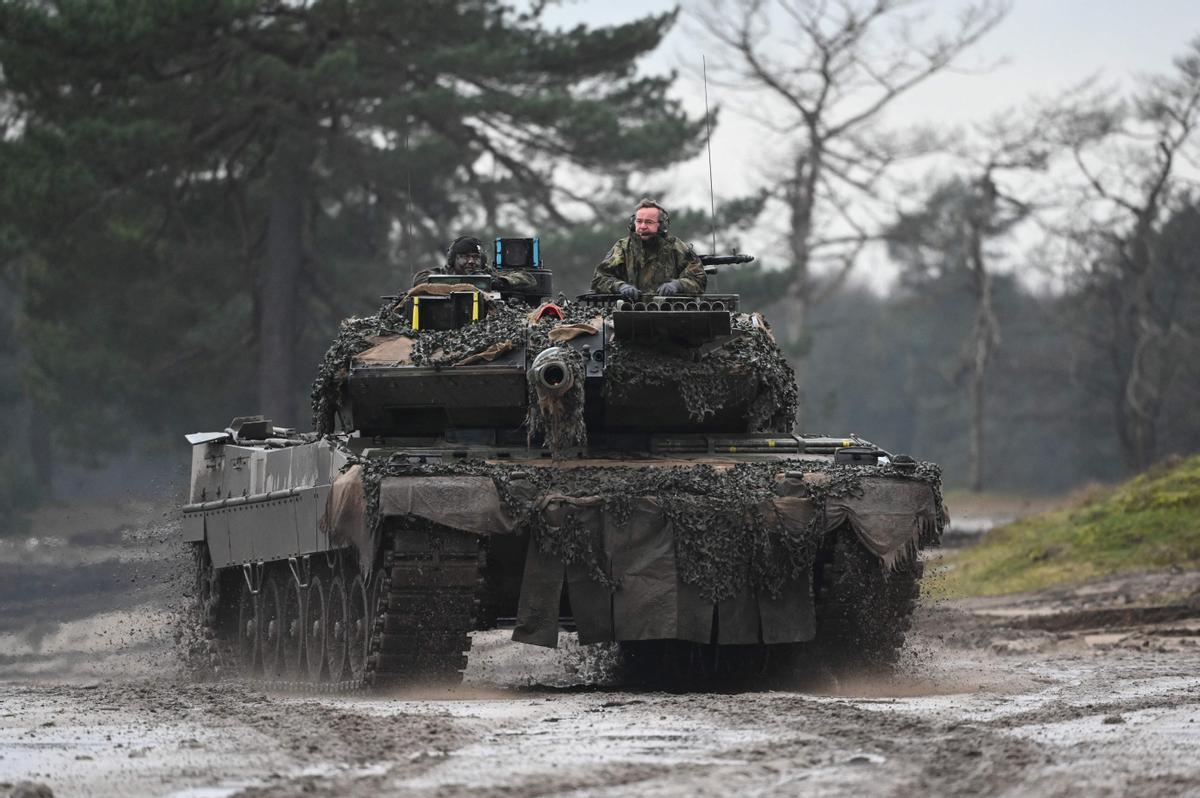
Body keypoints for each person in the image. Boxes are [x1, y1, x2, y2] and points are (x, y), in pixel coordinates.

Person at [590, 199, 706, 298]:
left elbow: (698, 280)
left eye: (649, 222)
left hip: (671, 313)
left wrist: (678, 285)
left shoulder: (677, 248)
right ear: (633, 224)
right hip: (629, 313)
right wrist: (620, 287)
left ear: (662, 226)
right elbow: (599, 279)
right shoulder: (623, 248)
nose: (642, 226)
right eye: (639, 221)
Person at [413, 236, 538, 291]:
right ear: (453, 259)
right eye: (465, 257)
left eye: (475, 257)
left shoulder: (488, 274)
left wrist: (499, 282)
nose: (471, 262)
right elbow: (420, 279)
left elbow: (528, 278)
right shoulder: (442, 273)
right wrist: (458, 283)